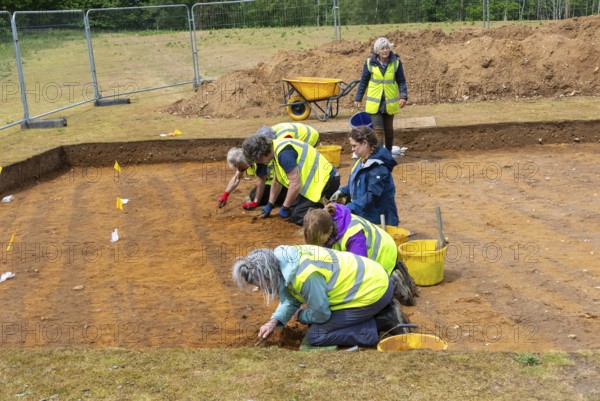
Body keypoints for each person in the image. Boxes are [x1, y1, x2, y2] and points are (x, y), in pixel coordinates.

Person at [232, 245, 410, 347]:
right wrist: (274, 321)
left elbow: (321, 313)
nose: (263, 290)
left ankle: (384, 321)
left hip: (373, 291)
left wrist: (301, 315)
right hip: (374, 278)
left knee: (317, 334)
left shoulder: (304, 275)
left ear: (268, 275)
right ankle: (381, 310)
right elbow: (291, 296)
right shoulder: (285, 258)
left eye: (261, 285)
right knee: (315, 319)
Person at [303, 203, 417, 306]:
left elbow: (360, 269)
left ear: (329, 230)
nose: (319, 245)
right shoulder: (323, 219)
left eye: (320, 241)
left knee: (368, 292)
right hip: (367, 250)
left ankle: (393, 281)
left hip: (383, 253)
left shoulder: (353, 236)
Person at [242, 130, 340, 226]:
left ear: (261, 155)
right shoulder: (275, 149)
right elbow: (276, 181)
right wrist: (270, 205)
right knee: (292, 209)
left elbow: (295, 184)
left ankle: (335, 217)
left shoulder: (284, 154)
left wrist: (285, 207)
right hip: (316, 184)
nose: (258, 163)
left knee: (298, 216)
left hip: (327, 182)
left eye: (257, 160)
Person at [217, 123, 320, 209]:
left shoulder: (260, 154)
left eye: (239, 166)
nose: (239, 169)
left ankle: (300, 197)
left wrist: (256, 202)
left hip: (308, 137)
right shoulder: (250, 152)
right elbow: (236, 178)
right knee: (255, 194)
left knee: (292, 173)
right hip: (293, 135)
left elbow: (263, 178)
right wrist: (225, 195)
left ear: (246, 161)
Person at [330, 126, 399, 226]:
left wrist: (349, 207)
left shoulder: (378, 168)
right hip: (365, 216)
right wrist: (343, 191)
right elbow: (356, 184)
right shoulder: (360, 161)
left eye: (354, 146)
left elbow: (372, 195)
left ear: (365, 143)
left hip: (379, 221)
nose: (352, 149)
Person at [354, 37, 408, 151]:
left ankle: (388, 154)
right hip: (375, 104)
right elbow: (363, 81)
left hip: (389, 103)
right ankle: (379, 156)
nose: (385, 51)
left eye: (387, 48)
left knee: (389, 130)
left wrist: (403, 96)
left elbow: (401, 80)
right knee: (378, 131)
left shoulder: (396, 62)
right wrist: (358, 98)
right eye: (382, 48)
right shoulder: (370, 63)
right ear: (377, 50)